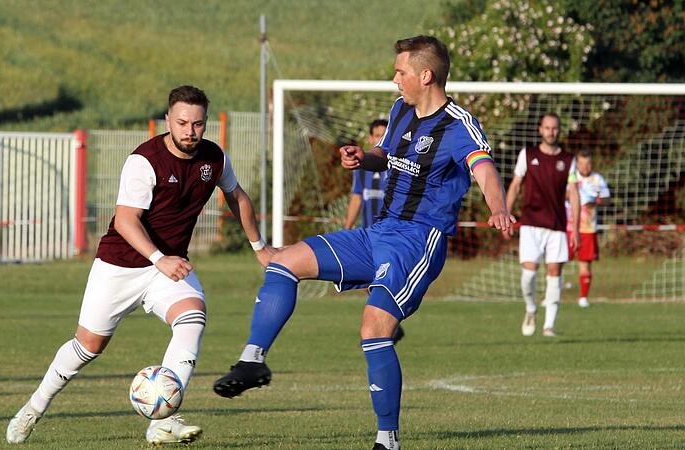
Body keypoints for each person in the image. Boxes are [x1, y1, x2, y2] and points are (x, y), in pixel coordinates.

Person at [213, 35, 514, 450]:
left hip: (417, 241)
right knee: (284, 262)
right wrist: (363, 158)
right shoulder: (401, 111)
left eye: (401, 71)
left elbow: (485, 170)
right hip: (378, 231)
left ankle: (387, 440)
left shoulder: (458, 124)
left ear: (425, 75)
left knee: (374, 327)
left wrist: (497, 207)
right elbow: (385, 155)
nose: (395, 79)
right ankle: (251, 362)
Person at [5, 86, 275, 445]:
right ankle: (33, 408)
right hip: (119, 266)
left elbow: (237, 196)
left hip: (168, 268)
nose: (189, 132)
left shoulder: (214, 158)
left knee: (192, 318)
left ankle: (163, 420)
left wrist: (259, 247)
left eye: (197, 124)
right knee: (87, 347)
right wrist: (158, 258)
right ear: (167, 121)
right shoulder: (143, 161)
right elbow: (125, 221)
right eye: (182, 123)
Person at [505, 112, 580, 338]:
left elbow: (574, 193)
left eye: (554, 128)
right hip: (530, 224)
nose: (551, 132)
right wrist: (505, 214)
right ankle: (531, 308)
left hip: (556, 226)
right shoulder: (528, 155)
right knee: (529, 273)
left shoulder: (568, 160)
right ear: (540, 129)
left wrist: (574, 227)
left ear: (559, 130)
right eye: (547, 128)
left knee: (554, 272)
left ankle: (549, 325)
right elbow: (516, 185)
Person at [344, 119, 406, 343]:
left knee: (385, 280)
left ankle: (385, 326)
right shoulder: (362, 169)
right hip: (368, 234)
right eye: (376, 135)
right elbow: (357, 197)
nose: (379, 138)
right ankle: (387, 325)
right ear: (370, 138)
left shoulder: (397, 165)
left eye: (384, 134)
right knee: (370, 281)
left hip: (392, 233)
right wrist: (348, 226)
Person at [566, 150, 610, 308]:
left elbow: (606, 198)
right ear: (577, 163)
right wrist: (573, 196)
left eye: (588, 163)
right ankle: (551, 295)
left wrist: (596, 200)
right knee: (556, 261)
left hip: (588, 228)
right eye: (582, 163)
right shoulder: (571, 177)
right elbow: (560, 195)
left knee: (585, 263)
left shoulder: (597, 179)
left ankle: (583, 298)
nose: (585, 166)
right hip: (567, 227)